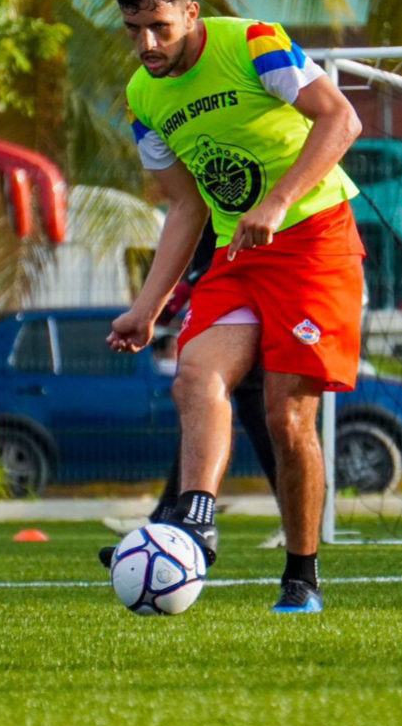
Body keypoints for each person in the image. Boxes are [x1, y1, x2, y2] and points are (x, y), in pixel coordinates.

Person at [101, 0, 364, 613]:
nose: (147, 43)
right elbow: (186, 206)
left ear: (191, 12)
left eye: (159, 25)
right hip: (238, 254)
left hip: (314, 244)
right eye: (133, 29)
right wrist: (145, 306)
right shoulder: (141, 98)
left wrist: (276, 201)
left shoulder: (253, 43)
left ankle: (300, 574)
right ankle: (195, 520)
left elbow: (341, 119)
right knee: (195, 374)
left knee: (284, 416)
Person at [102, 222, 285, 549]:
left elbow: (210, 256)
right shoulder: (201, 198)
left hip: (259, 290)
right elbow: (191, 235)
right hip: (225, 294)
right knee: (198, 398)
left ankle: (295, 519)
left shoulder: (238, 192)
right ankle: (176, 516)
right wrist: (154, 309)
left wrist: (168, 303)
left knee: (270, 418)